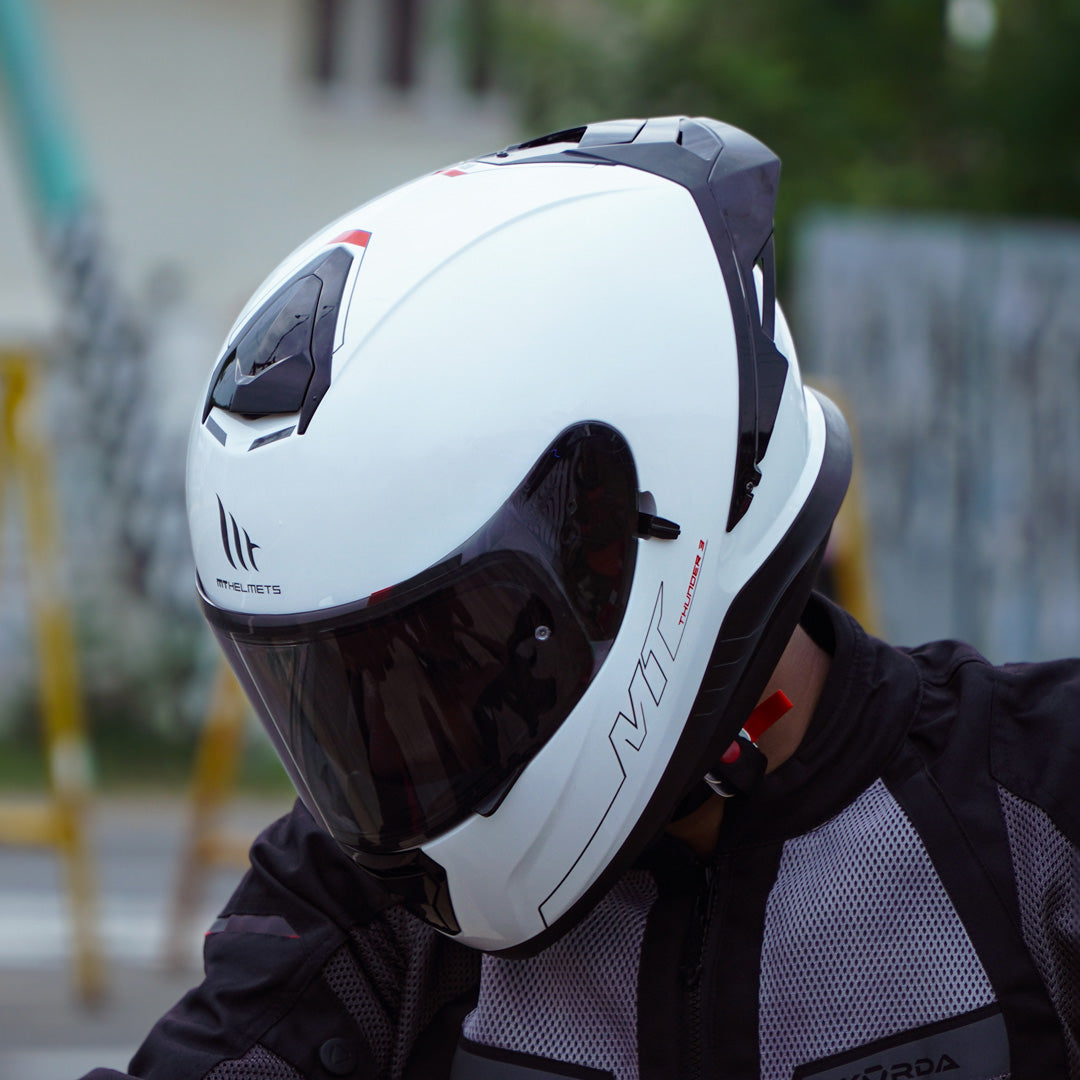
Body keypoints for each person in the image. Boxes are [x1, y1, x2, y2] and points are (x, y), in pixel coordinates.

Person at [81, 117, 1079, 1080]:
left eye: (431, 660)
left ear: (625, 536)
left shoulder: (1036, 809)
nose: (387, 751)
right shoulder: (367, 901)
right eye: (343, 693)